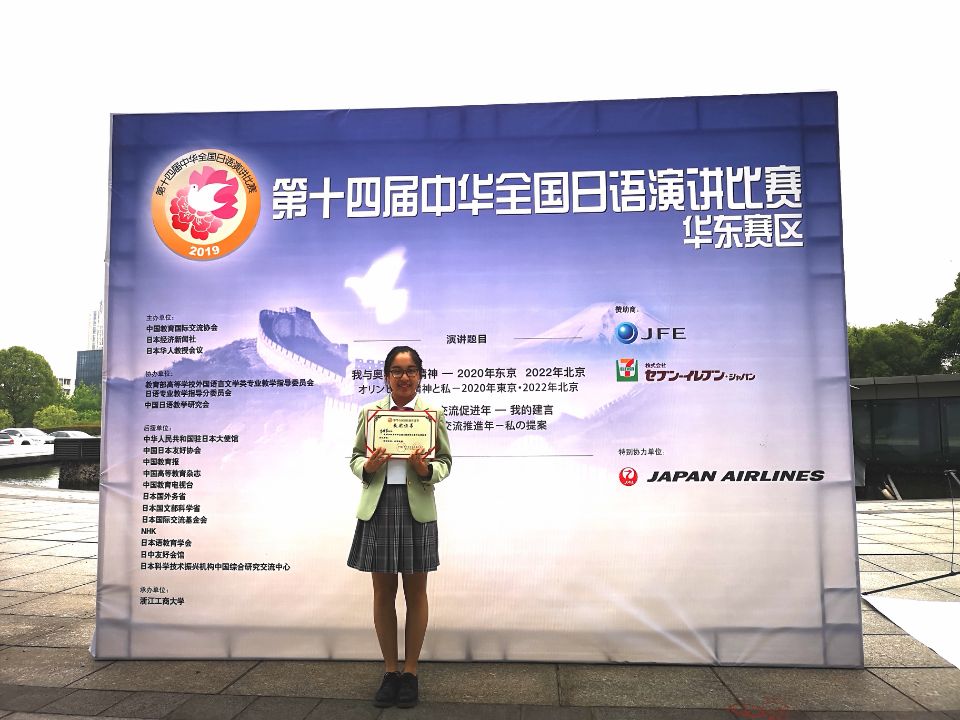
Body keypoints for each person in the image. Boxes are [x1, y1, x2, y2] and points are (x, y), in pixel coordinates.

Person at [348, 346, 452, 709]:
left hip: (416, 508)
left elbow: (446, 462)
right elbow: (355, 459)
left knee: (416, 593)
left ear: (420, 375)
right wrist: (369, 466)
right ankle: (390, 671)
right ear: (386, 376)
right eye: (396, 370)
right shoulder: (370, 413)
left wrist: (427, 470)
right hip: (379, 507)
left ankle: (411, 672)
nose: (403, 377)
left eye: (410, 371)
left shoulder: (432, 415)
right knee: (382, 592)